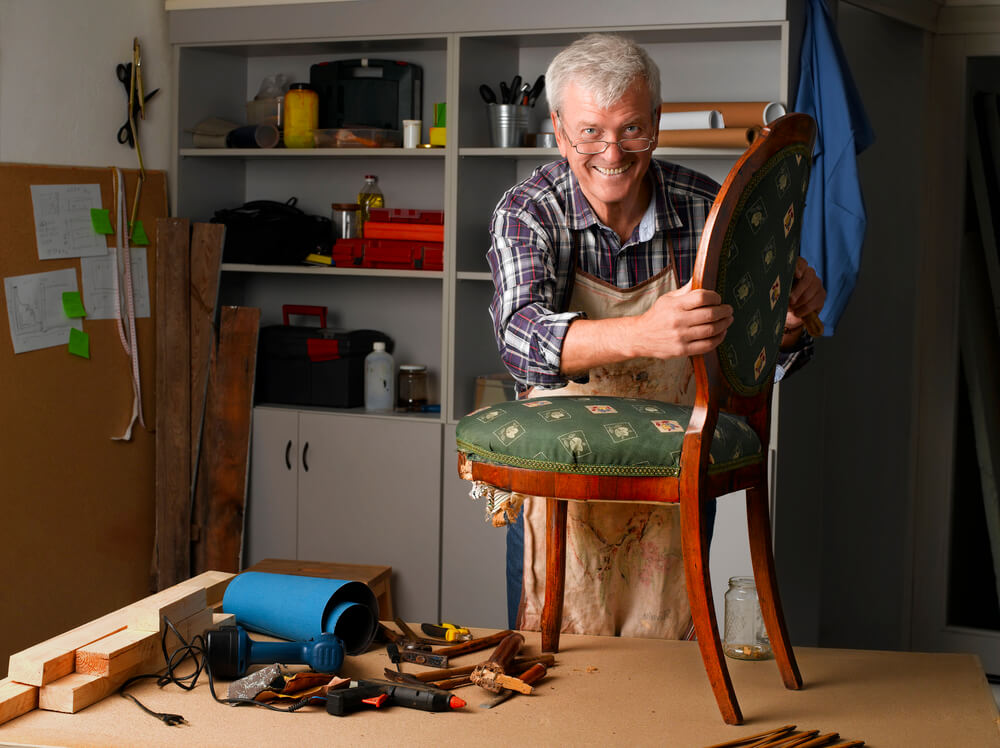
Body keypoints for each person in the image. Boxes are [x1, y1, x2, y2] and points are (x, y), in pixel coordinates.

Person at [484, 33, 826, 639]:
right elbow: (519, 337)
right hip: (563, 490)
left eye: (632, 129)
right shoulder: (528, 210)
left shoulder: (706, 210)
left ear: (658, 125)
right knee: (553, 676)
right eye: (590, 131)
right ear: (560, 131)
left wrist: (787, 323)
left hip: (673, 486)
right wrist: (644, 332)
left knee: (665, 681)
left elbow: (755, 354)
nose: (611, 150)